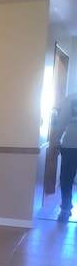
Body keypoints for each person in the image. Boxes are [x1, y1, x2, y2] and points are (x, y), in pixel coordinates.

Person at [50, 92, 77, 223]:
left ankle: (65, 209)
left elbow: (61, 123)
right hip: (69, 146)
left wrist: (56, 141)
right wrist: (56, 141)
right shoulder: (70, 99)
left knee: (66, 178)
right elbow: (60, 123)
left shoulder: (71, 98)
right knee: (66, 179)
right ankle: (65, 208)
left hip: (70, 146)